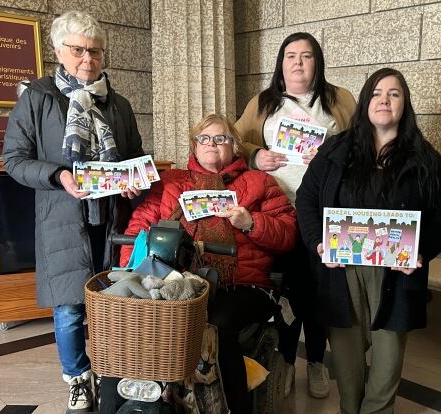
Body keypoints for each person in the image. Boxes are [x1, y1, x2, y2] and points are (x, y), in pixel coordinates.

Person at [99, 114, 297, 414]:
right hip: (173, 278)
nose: (211, 144)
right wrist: (131, 271)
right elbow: (139, 227)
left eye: (221, 138)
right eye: (204, 138)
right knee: (129, 317)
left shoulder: (260, 182)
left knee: (213, 324)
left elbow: (287, 235)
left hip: (240, 282)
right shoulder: (171, 181)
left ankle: (234, 408)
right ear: (194, 144)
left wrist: (251, 222)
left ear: (235, 146)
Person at [2, 11, 144, 414]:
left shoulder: (118, 103)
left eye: (95, 51)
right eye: (78, 49)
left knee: (113, 301)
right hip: (63, 218)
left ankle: (113, 370)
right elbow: (14, 160)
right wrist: (59, 175)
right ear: (58, 50)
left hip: (112, 218)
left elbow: (134, 156)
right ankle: (78, 379)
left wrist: (133, 179)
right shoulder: (37, 97)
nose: (88, 59)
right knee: (68, 309)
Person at [295, 68, 441, 414]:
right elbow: (307, 199)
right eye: (376, 93)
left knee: (386, 366)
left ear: (405, 104)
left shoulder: (424, 158)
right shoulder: (336, 150)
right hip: (342, 270)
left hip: (395, 274)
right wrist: (318, 242)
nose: (384, 100)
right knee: (348, 368)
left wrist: (422, 251)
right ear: (366, 101)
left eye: (394, 93)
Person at [235, 31, 357, 398]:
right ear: (281, 62)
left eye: (306, 55)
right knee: (287, 290)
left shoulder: (340, 99)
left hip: (324, 212)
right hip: (278, 210)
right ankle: (287, 358)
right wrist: (257, 154)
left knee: (321, 289)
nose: (299, 62)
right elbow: (236, 140)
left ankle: (317, 361)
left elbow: (360, 142)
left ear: (317, 61)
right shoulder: (264, 102)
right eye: (291, 55)